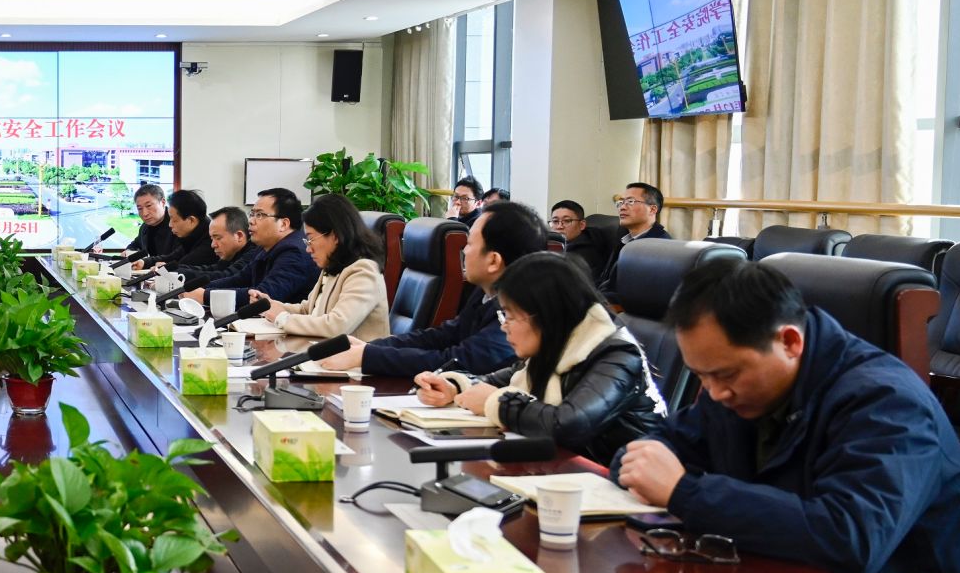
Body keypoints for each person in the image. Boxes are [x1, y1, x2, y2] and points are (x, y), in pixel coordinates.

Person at [609, 257, 960, 573]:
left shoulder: (887, 403)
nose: (714, 392)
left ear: (790, 342)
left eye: (725, 375)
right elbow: (664, 443)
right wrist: (639, 463)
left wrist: (685, 493)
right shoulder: (736, 390)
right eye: (701, 375)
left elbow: (849, 539)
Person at [415, 251, 666, 465]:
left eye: (510, 316)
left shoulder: (618, 357)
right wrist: (454, 388)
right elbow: (494, 381)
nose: (504, 326)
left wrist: (496, 403)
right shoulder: (552, 348)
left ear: (547, 316)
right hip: (560, 473)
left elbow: (568, 425)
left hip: (616, 486)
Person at [319, 200, 546, 378]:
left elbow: (459, 361)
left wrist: (369, 356)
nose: (464, 251)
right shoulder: (486, 293)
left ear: (493, 261)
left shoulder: (520, 311)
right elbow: (442, 337)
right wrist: (370, 347)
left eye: (469, 244)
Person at [255, 193, 390, 342]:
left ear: (335, 236)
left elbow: (336, 326)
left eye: (311, 239)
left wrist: (282, 318)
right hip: (324, 352)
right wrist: (272, 306)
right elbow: (308, 310)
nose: (308, 249)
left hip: (354, 356)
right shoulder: (333, 265)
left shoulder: (363, 271)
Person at [184, 188, 315, 307]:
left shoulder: (294, 252)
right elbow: (239, 279)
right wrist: (197, 289)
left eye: (260, 215)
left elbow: (264, 296)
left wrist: (205, 295)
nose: (251, 221)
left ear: (283, 224)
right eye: (252, 214)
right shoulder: (266, 247)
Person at [597, 181, 672, 297]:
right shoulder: (624, 239)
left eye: (630, 202)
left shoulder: (660, 247)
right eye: (620, 203)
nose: (622, 207)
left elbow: (640, 294)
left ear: (652, 209)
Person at [547, 198, 610, 283]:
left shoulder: (585, 254)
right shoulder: (555, 245)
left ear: (582, 225)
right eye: (555, 221)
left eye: (567, 221)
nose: (559, 226)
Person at [157, 189, 217, 274]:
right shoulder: (193, 234)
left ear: (191, 220)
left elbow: (183, 266)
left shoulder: (209, 241)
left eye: (174, 220)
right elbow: (173, 257)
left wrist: (164, 269)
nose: (170, 225)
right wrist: (145, 262)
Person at [122, 183, 172, 265]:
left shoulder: (176, 224)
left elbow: (175, 256)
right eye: (140, 208)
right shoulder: (145, 226)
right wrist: (128, 251)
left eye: (149, 206)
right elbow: (136, 244)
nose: (144, 213)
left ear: (163, 202)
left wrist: (145, 262)